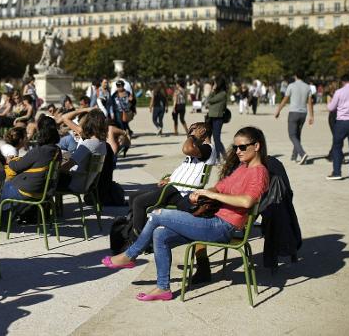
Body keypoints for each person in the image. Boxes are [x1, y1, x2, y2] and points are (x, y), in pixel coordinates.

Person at [103, 126, 269, 301]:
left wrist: (211, 194)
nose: (238, 151)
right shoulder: (243, 167)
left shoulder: (259, 172)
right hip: (213, 220)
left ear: (256, 146)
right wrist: (201, 193)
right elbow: (220, 187)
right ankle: (163, 288)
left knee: (158, 214)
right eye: (235, 147)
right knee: (160, 234)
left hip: (223, 227)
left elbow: (247, 201)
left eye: (242, 147)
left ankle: (130, 255)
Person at [128, 122, 215, 234]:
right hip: (174, 187)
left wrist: (193, 137)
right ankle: (131, 230)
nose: (189, 135)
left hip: (180, 192)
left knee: (138, 202)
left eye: (193, 131)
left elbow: (186, 149)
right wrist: (170, 179)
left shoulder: (207, 149)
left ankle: (141, 239)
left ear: (202, 132)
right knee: (133, 196)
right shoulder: (200, 149)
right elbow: (186, 170)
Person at [0, 116, 60, 202]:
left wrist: (10, 161)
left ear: (41, 132)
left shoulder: (40, 151)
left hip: (29, 191)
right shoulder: (57, 150)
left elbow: (16, 167)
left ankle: (1, 215)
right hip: (44, 190)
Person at [57, 108, 108, 193]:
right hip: (86, 183)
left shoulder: (88, 144)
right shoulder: (102, 144)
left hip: (74, 184)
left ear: (88, 124)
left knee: (46, 178)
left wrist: (54, 170)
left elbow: (66, 167)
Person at [275, 72, 314, 165]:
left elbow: (285, 99)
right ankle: (294, 156)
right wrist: (311, 115)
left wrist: (278, 110)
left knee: (292, 135)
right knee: (297, 135)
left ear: (295, 76)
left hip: (294, 112)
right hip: (303, 113)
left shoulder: (291, 85)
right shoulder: (307, 87)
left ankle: (302, 153)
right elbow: (310, 102)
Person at [326, 74, 349, 180]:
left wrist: (328, 101)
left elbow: (331, 108)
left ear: (343, 82)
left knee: (337, 147)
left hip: (341, 122)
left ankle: (337, 172)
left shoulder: (339, 92)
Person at [206, 76, 228, 162]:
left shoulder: (222, 94)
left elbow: (210, 100)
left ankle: (221, 156)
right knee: (212, 137)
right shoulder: (218, 93)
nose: (214, 85)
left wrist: (212, 91)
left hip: (218, 118)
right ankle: (220, 156)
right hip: (211, 117)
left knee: (216, 138)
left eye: (215, 83)